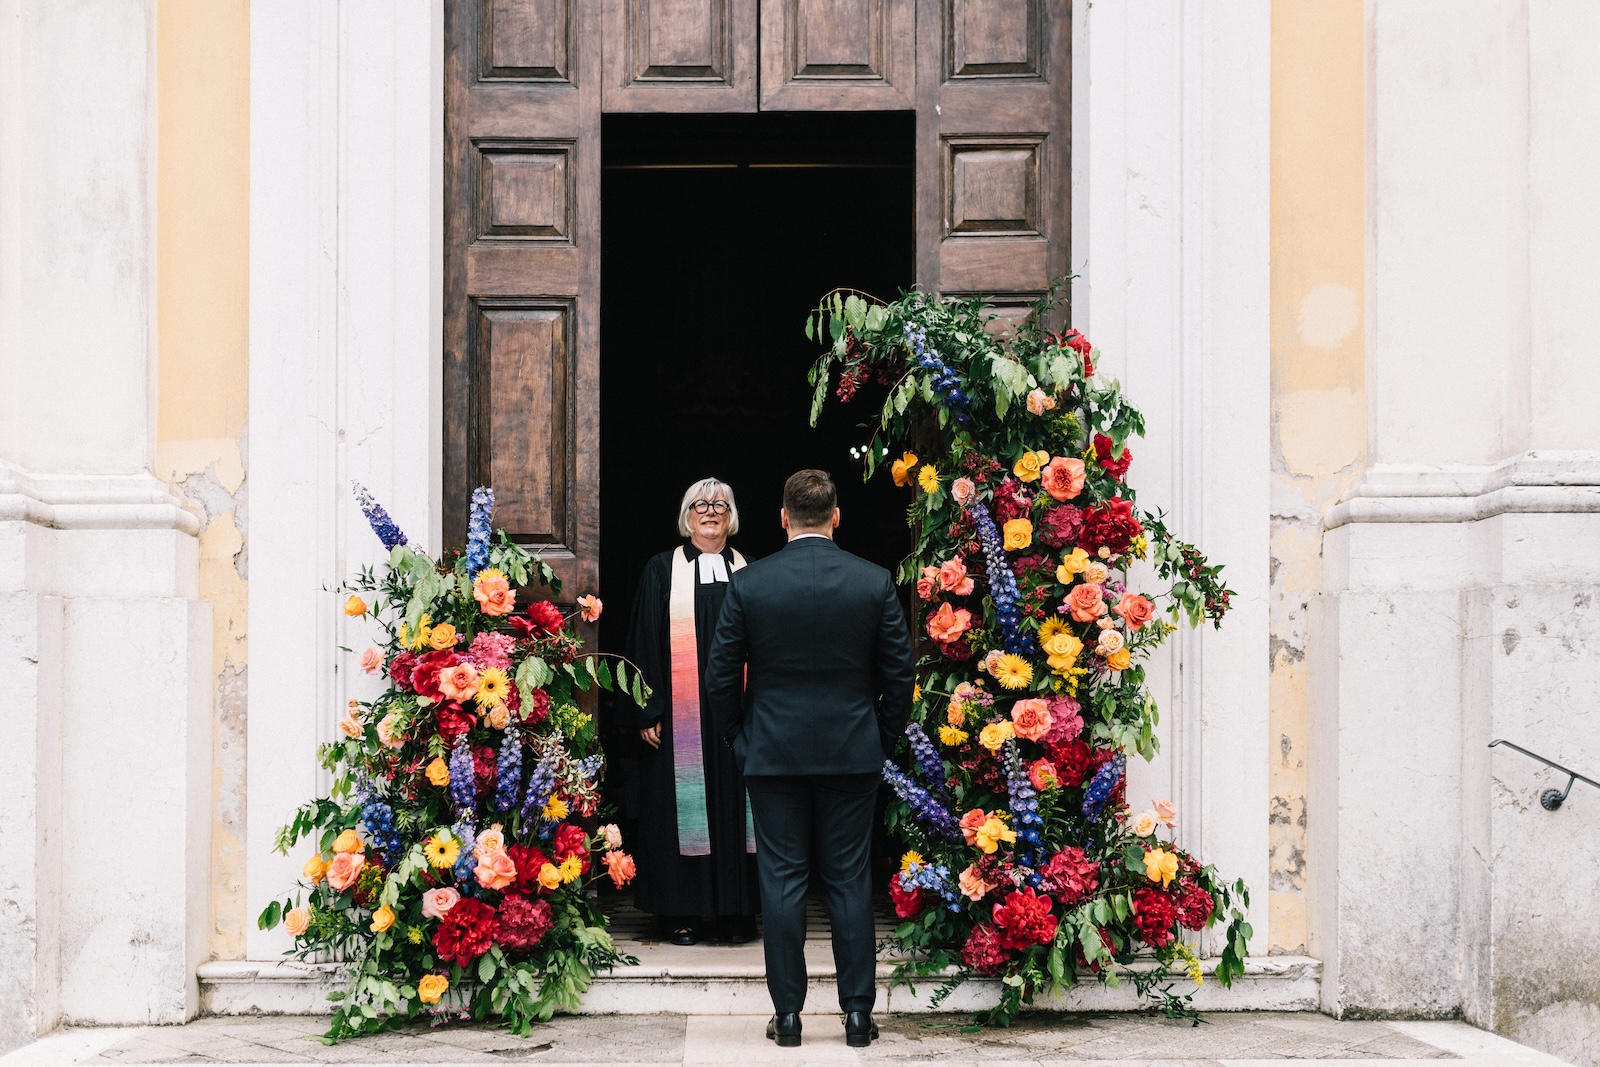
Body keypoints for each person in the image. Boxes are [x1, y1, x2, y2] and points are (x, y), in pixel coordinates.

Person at [704, 468, 916, 1048]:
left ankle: (789, 1016)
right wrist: (882, 737)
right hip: (852, 752)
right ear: (836, 517)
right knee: (849, 880)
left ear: (782, 518)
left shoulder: (752, 585)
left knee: (783, 881)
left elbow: (720, 677)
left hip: (772, 753)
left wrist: (737, 740)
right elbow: (901, 675)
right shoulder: (873, 582)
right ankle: (857, 1015)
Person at [621, 478, 761, 945]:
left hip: (738, 716)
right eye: (701, 503)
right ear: (687, 514)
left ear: (731, 516)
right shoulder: (662, 570)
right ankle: (680, 912)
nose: (710, 511)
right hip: (680, 718)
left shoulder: (752, 571)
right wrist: (648, 709)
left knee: (740, 810)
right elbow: (642, 640)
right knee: (680, 810)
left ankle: (736, 911)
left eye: (720, 504)